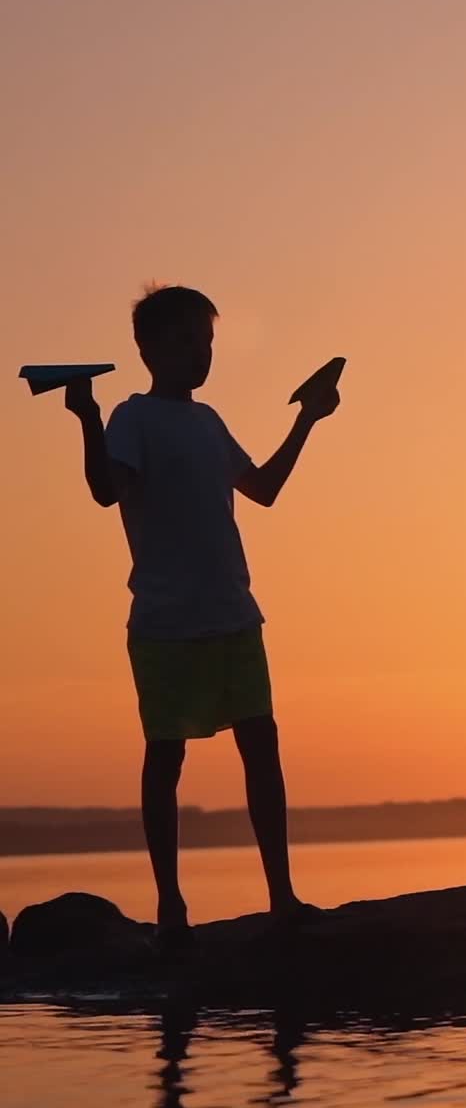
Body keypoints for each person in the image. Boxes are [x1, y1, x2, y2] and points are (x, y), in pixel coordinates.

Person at [65, 285, 339, 947]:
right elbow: (108, 492)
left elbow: (264, 490)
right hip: (165, 622)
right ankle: (170, 908)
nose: (200, 352)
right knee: (166, 758)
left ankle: (283, 897)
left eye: (208, 341)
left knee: (262, 747)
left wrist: (308, 418)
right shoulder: (131, 419)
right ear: (148, 349)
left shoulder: (209, 421)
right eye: (186, 339)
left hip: (232, 614)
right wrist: (86, 418)